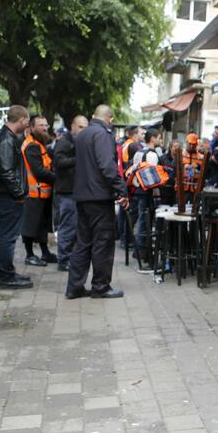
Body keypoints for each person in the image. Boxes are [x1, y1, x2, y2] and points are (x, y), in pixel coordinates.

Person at [66, 104, 128, 299]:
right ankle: (100, 286)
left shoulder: (83, 134)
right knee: (102, 243)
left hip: (83, 196)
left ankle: (74, 287)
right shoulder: (103, 135)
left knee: (83, 242)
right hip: (99, 198)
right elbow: (107, 166)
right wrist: (121, 188)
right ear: (110, 118)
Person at [0, 105, 32, 289]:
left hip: (8, 196)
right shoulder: (6, 139)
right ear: (21, 120)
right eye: (27, 121)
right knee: (8, 236)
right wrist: (19, 193)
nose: (27, 125)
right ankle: (6, 275)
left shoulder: (5, 137)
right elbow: (6, 172)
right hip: (10, 197)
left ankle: (7, 272)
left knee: (7, 234)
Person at [21, 115, 57, 266]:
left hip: (42, 193)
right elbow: (39, 171)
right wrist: (58, 177)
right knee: (31, 226)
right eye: (41, 125)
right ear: (32, 128)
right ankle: (29, 255)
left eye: (46, 125)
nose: (44, 128)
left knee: (42, 224)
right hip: (34, 193)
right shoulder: (32, 146)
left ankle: (45, 252)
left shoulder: (38, 143)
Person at [53, 115, 87, 271]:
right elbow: (58, 162)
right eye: (80, 127)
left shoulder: (79, 141)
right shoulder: (65, 141)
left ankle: (69, 258)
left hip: (76, 191)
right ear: (72, 126)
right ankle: (64, 260)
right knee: (67, 227)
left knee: (75, 227)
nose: (83, 130)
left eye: (85, 127)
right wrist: (78, 159)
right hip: (67, 192)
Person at [129, 130, 161, 267]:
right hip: (146, 190)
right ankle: (142, 250)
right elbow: (153, 177)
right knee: (145, 220)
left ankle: (138, 249)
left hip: (137, 189)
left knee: (141, 218)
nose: (161, 140)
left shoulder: (139, 152)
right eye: (159, 137)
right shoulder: (152, 154)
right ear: (153, 139)